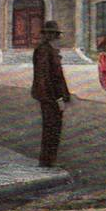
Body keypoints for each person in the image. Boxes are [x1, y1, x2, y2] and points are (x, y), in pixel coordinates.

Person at [31, 21, 71, 167]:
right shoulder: (43, 51)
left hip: (52, 96)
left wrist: (64, 95)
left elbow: (58, 76)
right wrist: (54, 98)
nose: (53, 36)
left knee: (54, 128)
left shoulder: (49, 50)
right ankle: (46, 161)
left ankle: (49, 160)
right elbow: (44, 77)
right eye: (50, 34)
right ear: (46, 35)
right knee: (51, 128)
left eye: (54, 34)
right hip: (49, 97)